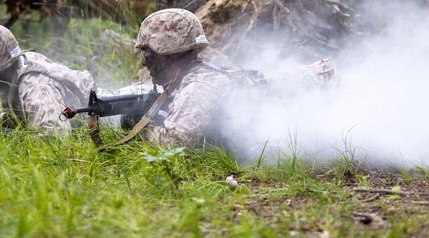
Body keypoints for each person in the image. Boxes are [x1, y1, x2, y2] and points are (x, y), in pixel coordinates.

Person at [128, 8, 335, 147]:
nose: (145, 63)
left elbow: (175, 144)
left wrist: (142, 130)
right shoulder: (198, 75)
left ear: (169, 52)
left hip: (326, 91)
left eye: (149, 54)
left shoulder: (199, 86)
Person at [0, 24, 94, 134]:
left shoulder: (35, 86)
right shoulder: (19, 63)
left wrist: (7, 136)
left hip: (107, 122)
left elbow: (55, 136)